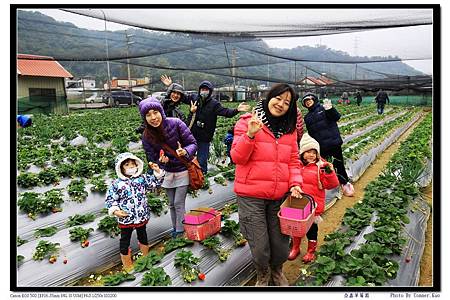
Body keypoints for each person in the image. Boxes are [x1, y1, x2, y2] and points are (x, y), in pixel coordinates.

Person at [231, 83, 303, 286]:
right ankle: (263, 273)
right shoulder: (247, 122)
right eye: (278, 98)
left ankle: (277, 270)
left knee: (280, 245)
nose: (281, 104)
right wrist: (250, 135)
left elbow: (294, 161)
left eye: (287, 102)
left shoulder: (289, 131)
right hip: (251, 195)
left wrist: (295, 183)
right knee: (260, 246)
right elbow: (237, 157)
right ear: (269, 97)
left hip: (278, 196)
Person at [161, 75, 250, 174]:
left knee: (202, 160)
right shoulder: (194, 98)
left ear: (210, 91)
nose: (204, 91)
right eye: (202, 89)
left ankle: (202, 178)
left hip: (205, 137)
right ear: (199, 90)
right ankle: (191, 176)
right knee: (187, 157)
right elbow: (181, 96)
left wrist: (237, 110)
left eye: (206, 90)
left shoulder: (214, 104)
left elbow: (226, 112)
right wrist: (170, 86)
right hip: (191, 135)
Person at [139, 97, 198, 238]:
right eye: (148, 115)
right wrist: (160, 163)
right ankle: (175, 228)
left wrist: (185, 151)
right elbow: (152, 160)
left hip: (182, 170)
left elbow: (193, 143)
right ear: (144, 118)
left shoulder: (176, 123)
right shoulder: (146, 136)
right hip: (166, 173)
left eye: (155, 112)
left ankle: (180, 230)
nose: (153, 117)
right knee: (171, 203)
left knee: (178, 202)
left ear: (161, 111)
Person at [105, 152, 165, 272]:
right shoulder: (116, 184)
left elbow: (155, 182)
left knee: (142, 235)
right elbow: (110, 199)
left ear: (137, 165)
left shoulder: (142, 179)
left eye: (133, 164)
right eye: (127, 165)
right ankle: (127, 265)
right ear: (121, 168)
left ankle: (145, 257)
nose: (131, 166)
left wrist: (157, 172)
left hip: (141, 215)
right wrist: (115, 211)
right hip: (126, 217)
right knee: (125, 239)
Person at [287, 133, 339, 262]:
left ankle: (311, 251)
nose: (311, 155)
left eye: (314, 152)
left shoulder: (321, 167)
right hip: (296, 203)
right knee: (296, 228)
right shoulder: (296, 166)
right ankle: (295, 247)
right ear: (302, 153)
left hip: (312, 206)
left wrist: (330, 173)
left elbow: (332, 185)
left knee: (311, 229)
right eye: (308, 152)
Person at [301, 93, 354, 197]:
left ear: (314, 99)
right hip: (321, 146)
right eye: (305, 102)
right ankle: (328, 184)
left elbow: (336, 117)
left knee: (338, 164)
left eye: (309, 100)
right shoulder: (307, 117)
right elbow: (311, 132)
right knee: (324, 167)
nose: (308, 102)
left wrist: (330, 109)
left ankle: (344, 183)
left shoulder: (324, 108)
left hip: (333, 142)